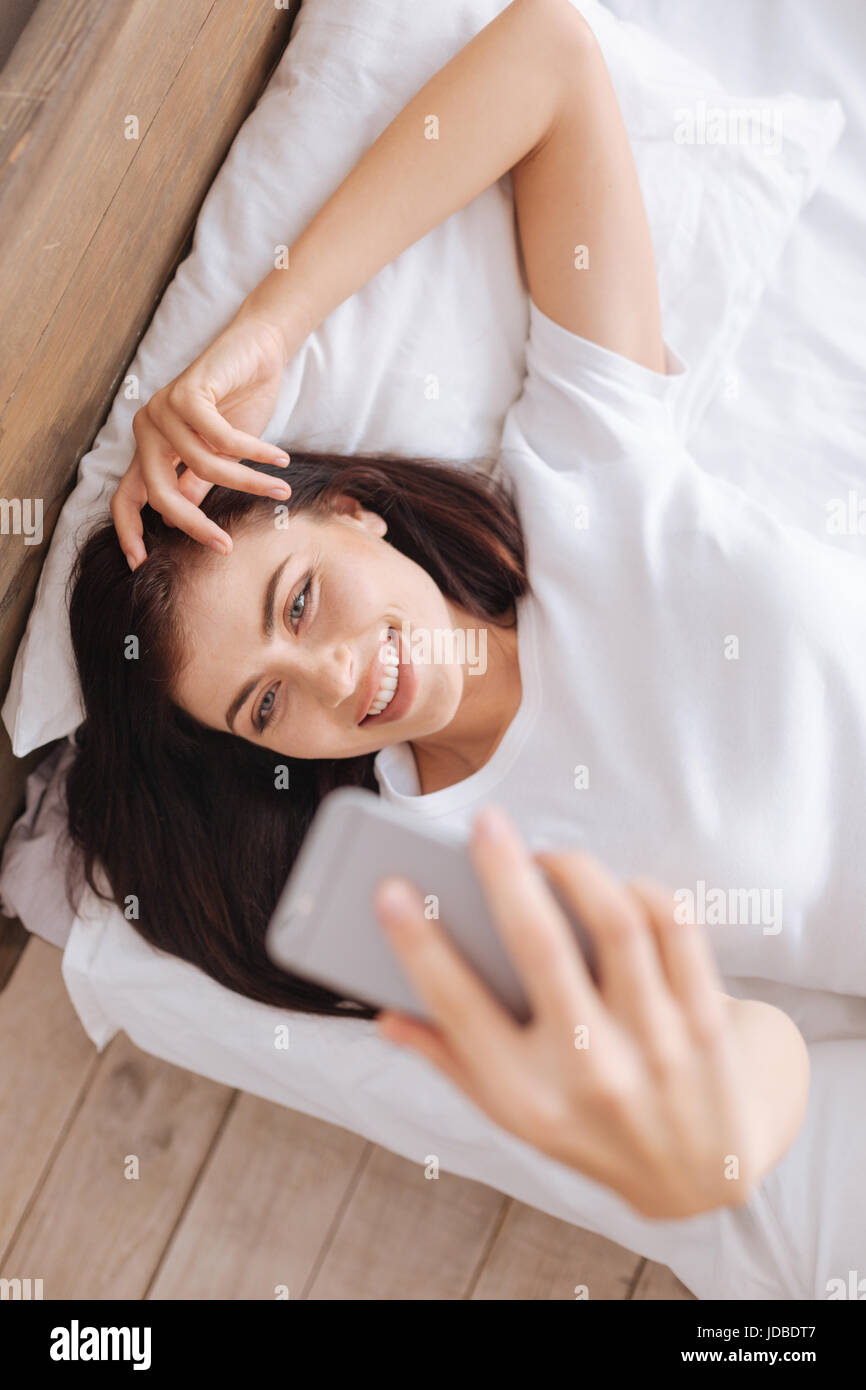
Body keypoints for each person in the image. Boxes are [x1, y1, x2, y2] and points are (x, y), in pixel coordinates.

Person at [69, 0, 859, 1216]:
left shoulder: (587, 474)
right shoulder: (431, 876)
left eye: (301, 598)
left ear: (352, 516)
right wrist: (711, 1145)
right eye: (267, 702)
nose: (334, 678)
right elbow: (734, 1056)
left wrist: (270, 328)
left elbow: (549, 56)